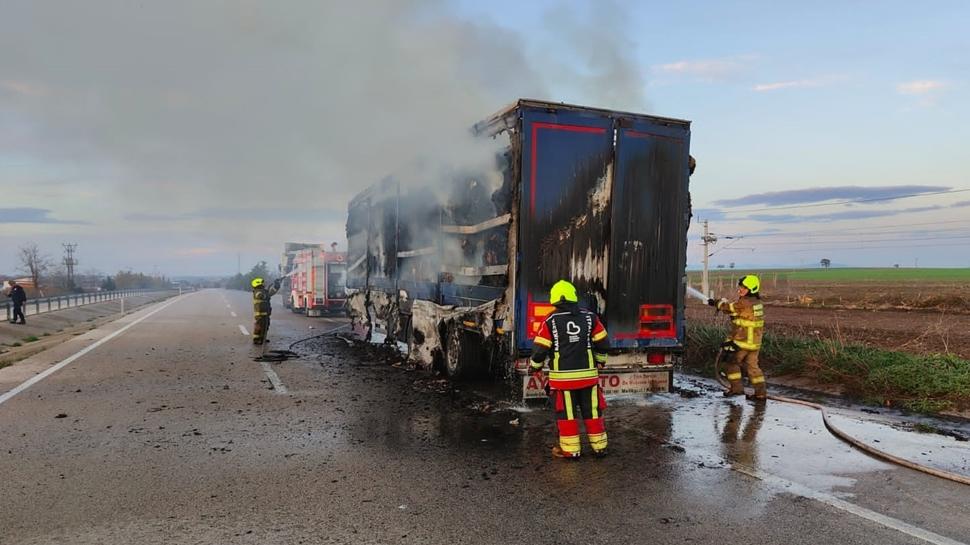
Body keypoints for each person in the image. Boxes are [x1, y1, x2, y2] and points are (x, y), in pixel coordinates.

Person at [530, 280, 610, 459]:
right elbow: (603, 344)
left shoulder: (550, 321)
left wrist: (534, 366)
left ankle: (571, 450)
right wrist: (600, 361)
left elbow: (539, 350)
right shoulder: (590, 317)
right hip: (589, 379)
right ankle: (600, 448)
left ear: (556, 299)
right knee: (593, 413)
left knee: (567, 415)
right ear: (573, 297)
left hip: (563, 382)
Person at [708, 275, 766, 400]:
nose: (740, 290)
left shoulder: (744, 302)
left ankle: (736, 389)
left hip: (743, 341)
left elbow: (729, 308)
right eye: (740, 287)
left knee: (730, 363)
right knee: (753, 368)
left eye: (743, 288)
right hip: (754, 342)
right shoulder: (757, 303)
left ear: (751, 289)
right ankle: (760, 394)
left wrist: (716, 303)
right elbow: (741, 314)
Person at [251, 277, 281, 345]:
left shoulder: (263, 291)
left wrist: (276, 285)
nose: (264, 284)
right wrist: (268, 288)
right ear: (258, 284)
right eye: (262, 283)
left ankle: (262, 339)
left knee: (265, 326)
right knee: (259, 326)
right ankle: (256, 339)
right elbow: (262, 295)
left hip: (266, 313)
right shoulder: (257, 292)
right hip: (260, 314)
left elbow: (272, 292)